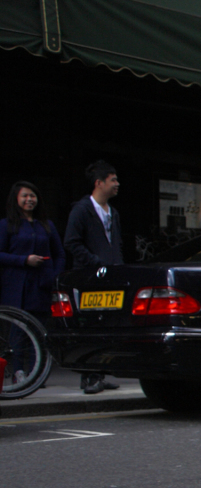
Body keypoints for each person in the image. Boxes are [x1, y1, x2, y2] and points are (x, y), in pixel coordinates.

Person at [64, 160, 123, 393]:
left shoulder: (113, 212)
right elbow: (71, 242)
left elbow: (116, 243)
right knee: (89, 326)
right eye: (113, 180)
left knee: (107, 325)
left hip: (111, 275)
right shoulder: (81, 210)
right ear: (99, 183)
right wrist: (94, 262)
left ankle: (101, 372)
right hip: (89, 277)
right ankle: (89, 376)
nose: (117, 184)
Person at [0, 181, 65, 387]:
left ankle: (36, 373)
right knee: (18, 330)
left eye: (33, 196)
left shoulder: (46, 225)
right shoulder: (6, 225)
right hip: (17, 285)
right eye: (25, 196)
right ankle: (19, 372)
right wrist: (24, 260)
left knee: (39, 329)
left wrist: (54, 275)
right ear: (16, 199)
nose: (29, 200)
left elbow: (60, 254)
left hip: (41, 284)